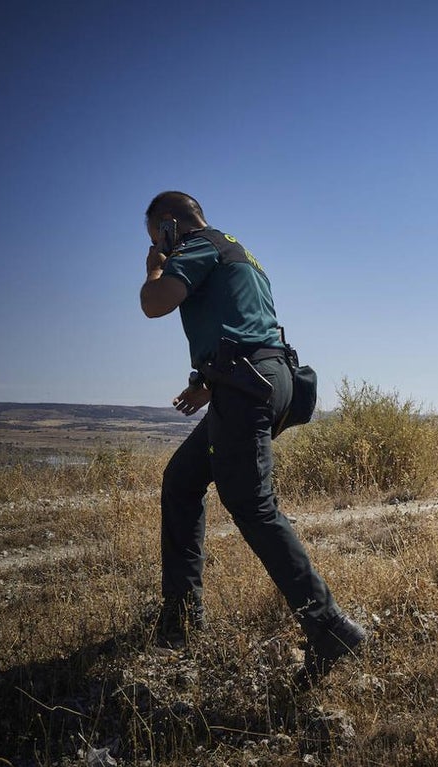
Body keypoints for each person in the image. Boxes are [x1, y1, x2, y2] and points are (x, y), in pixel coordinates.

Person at [139, 191, 365, 689]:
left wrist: (155, 267)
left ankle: (330, 628)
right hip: (265, 376)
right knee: (182, 480)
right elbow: (242, 322)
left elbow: (154, 305)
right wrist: (206, 382)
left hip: (246, 386)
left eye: (156, 234)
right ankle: (181, 617)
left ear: (170, 225)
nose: (156, 243)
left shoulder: (195, 248)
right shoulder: (238, 251)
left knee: (253, 505)